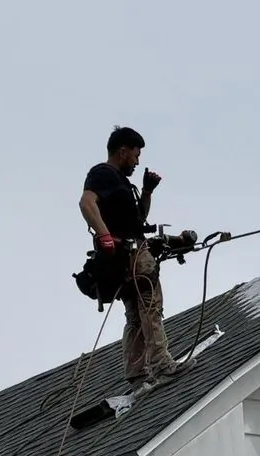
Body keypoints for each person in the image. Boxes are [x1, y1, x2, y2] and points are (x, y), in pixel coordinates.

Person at [79, 126, 194, 387]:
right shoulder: (103, 174)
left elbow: (138, 220)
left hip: (126, 255)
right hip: (129, 254)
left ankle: (137, 374)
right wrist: (104, 235)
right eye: (135, 154)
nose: (137, 161)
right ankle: (161, 364)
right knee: (150, 305)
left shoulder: (120, 182)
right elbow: (86, 202)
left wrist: (147, 191)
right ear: (123, 152)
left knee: (135, 313)